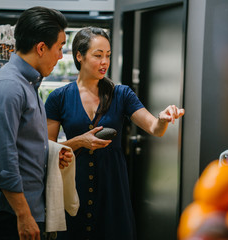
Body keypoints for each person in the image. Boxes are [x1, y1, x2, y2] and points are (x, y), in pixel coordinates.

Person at [45, 27, 185, 240]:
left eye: (108, 56)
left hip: (113, 190)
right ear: (79, 56)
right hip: (74, 189)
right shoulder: (59, 98)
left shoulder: (122, 94)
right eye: (98, 55)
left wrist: (163, 118)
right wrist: (80, 142)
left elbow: (154, 128)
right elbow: (47, 148)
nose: (105, 62)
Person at [0, 6, 72, 240]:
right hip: (8, 213)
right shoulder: (8, 87)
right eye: (59, 48)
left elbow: (21, 144)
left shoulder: (27, 85)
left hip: (24, 209)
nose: (61, 56)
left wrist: (48, 153)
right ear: (41, 48)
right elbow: (2, 159)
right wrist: (23, 214)